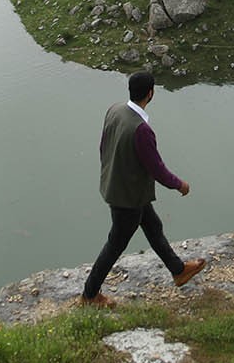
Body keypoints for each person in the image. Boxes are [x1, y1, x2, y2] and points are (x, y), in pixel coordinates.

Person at [80, 70, 206, 306]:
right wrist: (180, 185)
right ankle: (89, 295)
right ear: (151, 94)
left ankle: (179, 271)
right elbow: (156, 168)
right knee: (115, 244)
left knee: (153, 227)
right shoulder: (141, 130)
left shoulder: (115, 110)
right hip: (128, 197)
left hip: (120, 187)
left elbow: (103, 146)